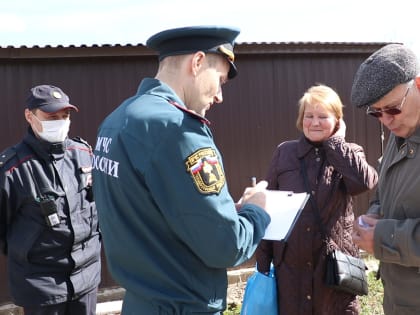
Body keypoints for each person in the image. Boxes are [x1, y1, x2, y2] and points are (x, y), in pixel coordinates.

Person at [92, 26, 271, 314]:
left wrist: (224, 212)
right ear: (198, 62)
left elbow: (154, 210)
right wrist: (255, 211)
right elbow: (225, 245)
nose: (220, 96)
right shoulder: (178, 129)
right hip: (181, 304)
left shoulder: (117, 120)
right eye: (220, 80)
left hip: (141, 301)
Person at [256, 84, 378, 314]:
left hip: (334, 268)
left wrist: (336, 144)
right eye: (308, 116)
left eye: (323, 116)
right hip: (291, 266)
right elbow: (267, 206)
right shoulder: (285, 152)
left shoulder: (349, 152)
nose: (314, 122)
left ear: (338, 121)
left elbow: (365, 182)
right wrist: (263, 263)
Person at [0, 85, 101, 315]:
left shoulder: (84, 154)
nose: (60, 122)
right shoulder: (12, 168)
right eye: (52, 116)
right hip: (42, 287)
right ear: (29, 115)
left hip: (86, 278)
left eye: (65, 116)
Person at [351, 44, 420, 315]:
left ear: (417, 84)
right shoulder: (400, 133)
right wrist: (374, 216)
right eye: (376, 113)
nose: (386, 121)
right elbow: (385, 191)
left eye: (392, 109)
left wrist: (382, 237)